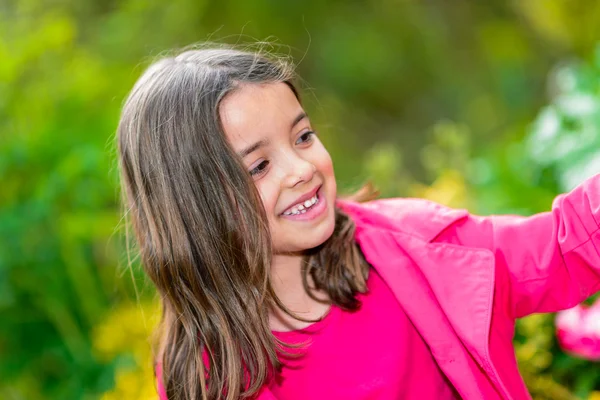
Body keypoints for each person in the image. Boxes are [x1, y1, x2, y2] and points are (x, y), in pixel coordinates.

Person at [116, 44, 600, 400]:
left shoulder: (416, 248)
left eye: (302, 136)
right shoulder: (205, 375)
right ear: (196, 209)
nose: (301, 169)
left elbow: (561, 248)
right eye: (259, 166)